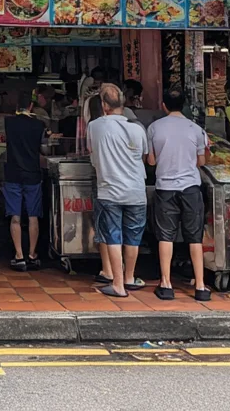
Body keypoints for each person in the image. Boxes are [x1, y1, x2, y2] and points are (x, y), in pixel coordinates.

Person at [147, 92, 211, 301]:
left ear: (164, 105)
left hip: (165, 187)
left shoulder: (155, 128)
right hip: (191, 187)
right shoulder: (196, 129)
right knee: (194, 237)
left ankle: (166, 284)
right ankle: (200, 286)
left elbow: (151, 161)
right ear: (183, 105)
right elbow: (201, 161)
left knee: (166, 235)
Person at [87, 84, 149, 298]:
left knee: (114, 236)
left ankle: (118, 284)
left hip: (110, 191)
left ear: (104, 105)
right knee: (133, 237)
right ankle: (130, 278)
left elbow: (91, 154)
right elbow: (144, 158)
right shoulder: (138, 129)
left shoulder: (95, 126)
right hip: (136, 191)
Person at [3, 91, 49, 271]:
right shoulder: (38, 125)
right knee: (32, 216)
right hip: (32, 174)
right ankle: (32, 254)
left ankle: (19, 255)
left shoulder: (8, 123)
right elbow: (44, 149)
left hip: (13, 173)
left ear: (16, 107)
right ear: (31, 106)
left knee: (15, 216)